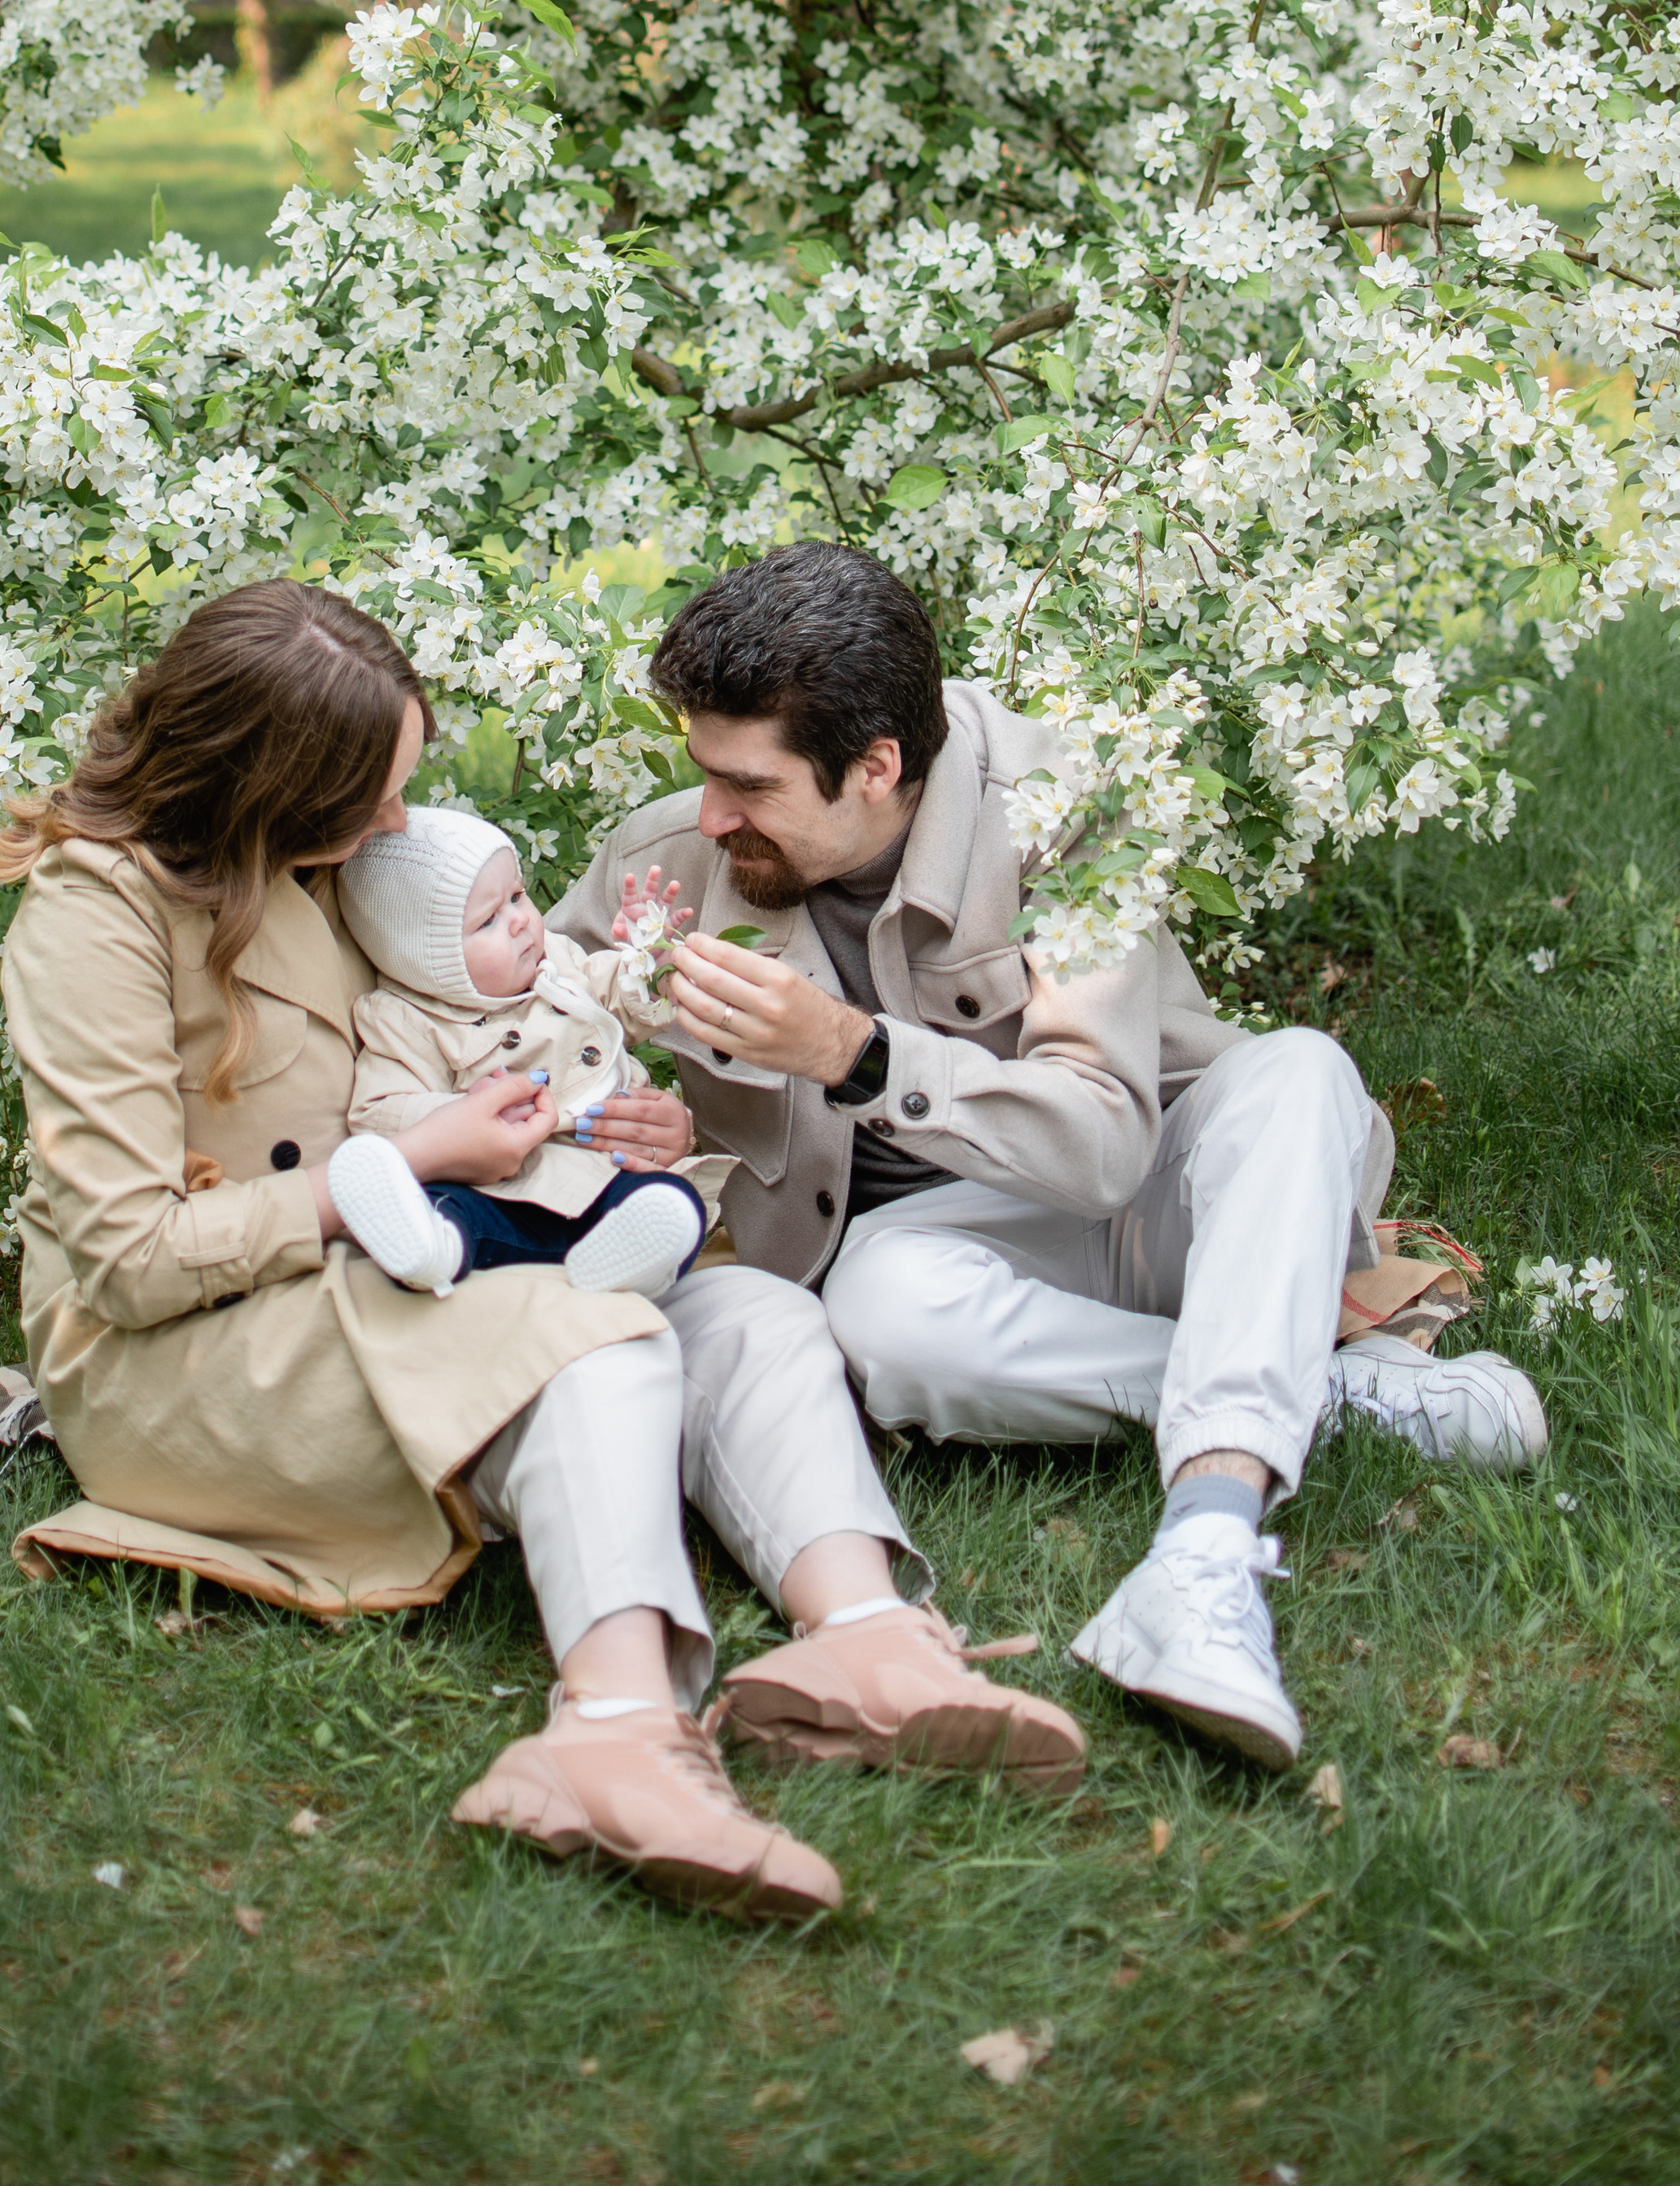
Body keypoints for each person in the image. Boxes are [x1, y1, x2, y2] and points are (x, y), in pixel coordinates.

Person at [0, 576, 1085, 1930]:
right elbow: (128, 1258)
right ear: (271, 782)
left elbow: (484, 1023)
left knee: (749, 1311)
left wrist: (624, 1120)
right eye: (374, 792)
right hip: (189, 1348)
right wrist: (407, 1165)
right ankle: (611, 1737)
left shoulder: (319, 862)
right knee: (600, 1340)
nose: (399, 822)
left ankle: (864, 1641)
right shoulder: (97, 912)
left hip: (405, 1262)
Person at [552, 543, 1548, 1774]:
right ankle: (1331, 1396)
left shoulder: (1059, 809)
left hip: (1167, 1196)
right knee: (880, 1314)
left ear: (877, 768)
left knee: (1299, 1071)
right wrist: (623, 1114)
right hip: (934, 1261)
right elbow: (520, 1012)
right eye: (703, 771)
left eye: (748, 787)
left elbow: (1103, 1145)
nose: (712, 816)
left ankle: (1203, 1555)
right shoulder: (670, 857)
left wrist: (853, 1054)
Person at [326, 806, 715, 1303]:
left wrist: (648, 963)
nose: (520, 922)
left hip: (599, 1176)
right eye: (488, 920)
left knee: (674, 1205)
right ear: (425, 959)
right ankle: (434, 1251)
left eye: (516, 896)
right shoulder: (404, 1019)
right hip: (501, 1190)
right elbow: (377, 1111)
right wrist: (459, 1113)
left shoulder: (556, 962)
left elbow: (618, 997)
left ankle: (624, 1269)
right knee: (448, 1208)